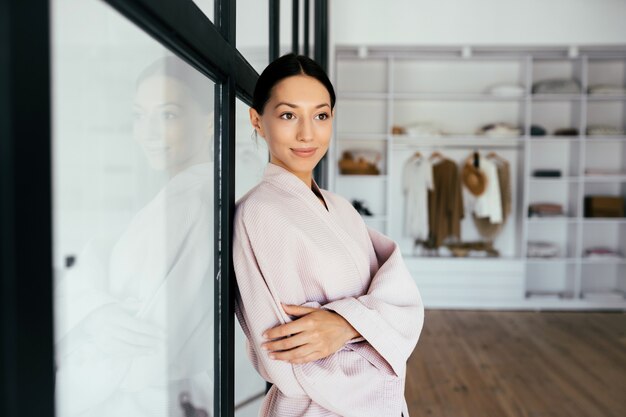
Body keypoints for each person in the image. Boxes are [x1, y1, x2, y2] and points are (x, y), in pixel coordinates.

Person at [233, 53, 425, 417]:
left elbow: (405, 298)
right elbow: (288, 357)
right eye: (288, 115)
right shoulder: (258, 213)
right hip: (314, 407)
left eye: (320, 116)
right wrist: (369, 322)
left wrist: (345, 324)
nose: (307, 133)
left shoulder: (342, 208)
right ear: (257, 120)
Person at [54, 55, 214, 417]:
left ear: (209, 123)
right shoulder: (190, 194)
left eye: (168, 114)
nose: (148, 132)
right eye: (139, 116)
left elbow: (136, 350)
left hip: (137, 401)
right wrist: (96, 311)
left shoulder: (186, 204)